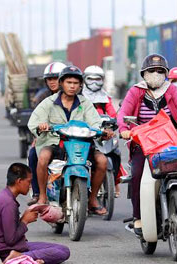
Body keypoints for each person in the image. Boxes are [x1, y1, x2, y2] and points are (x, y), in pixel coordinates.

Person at [117, 53, 177, 235]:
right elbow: (123, 113)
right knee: (137, 174)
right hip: (144, 143)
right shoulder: (136, 91)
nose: (155, 74)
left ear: (166, 73)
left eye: (159, 71)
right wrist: (124, 128)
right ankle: (138, 217)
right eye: (151, 71)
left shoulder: (171, 90)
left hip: (170, 140)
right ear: (144, 74)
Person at [28, 65, 112, 215]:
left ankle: (92, 199)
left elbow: (95, 122)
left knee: (103, 161)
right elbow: (33, 122)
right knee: (42, 157)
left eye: (75, 83)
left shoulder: (85, 103)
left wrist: (102, 131)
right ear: (61, 83)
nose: (72, 86)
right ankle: (41, 195)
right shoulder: (49, 102)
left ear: (80, 85)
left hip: (82, 144)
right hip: (55, 143)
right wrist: (41, 126)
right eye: (69, 82)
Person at [0, 162, 70, 264]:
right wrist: (25, 221)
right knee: (61, 252)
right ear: (19, 181)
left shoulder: (6, 197)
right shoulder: (8, 203)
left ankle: (23, 256)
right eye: (29, 181)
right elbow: (11, 240)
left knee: (63, 249)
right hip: (4, 251)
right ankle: (19, 257)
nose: (30, 186)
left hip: (10, 247)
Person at [27, 62, 67, 205]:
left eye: (55, 78)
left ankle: (92, 196)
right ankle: (38, 193)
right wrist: (39, 130)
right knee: (33, 154)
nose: (52, 82)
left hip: (73, 138)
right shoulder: (42, 98)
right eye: (49, 79)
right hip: (48, 138)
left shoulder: (79, 98)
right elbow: (36, 120)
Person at [82, 65, 122, 197]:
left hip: (104, 134)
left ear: (102, 80)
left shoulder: (106, 98)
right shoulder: (80, 97)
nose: (94, 83)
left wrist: (116, 122)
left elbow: (113, 114)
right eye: (90, 79)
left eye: (97, 79)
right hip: (85, 135)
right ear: (84, 79)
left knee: (116, 152)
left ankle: (115, 181)